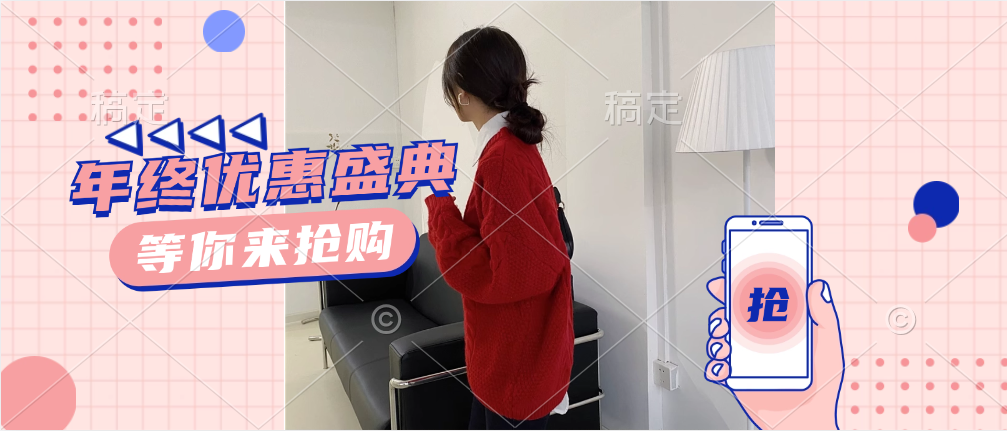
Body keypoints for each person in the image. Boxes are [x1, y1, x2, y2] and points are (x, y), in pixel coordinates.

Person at [424, 26, 573, 430]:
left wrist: (440, 208)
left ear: (461, 95)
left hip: (514, 365)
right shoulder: (510, 146)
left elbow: (507, 275)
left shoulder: (502, 156)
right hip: (510, 360)